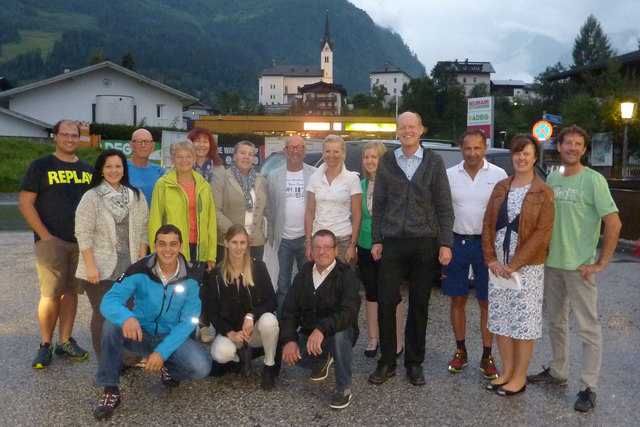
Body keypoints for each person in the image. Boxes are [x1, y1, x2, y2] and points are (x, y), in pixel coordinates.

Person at [526, 126, 621, 412]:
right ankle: (558, 371)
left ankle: (589, 386)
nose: (573, 148)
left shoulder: (594, 181)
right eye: (568, 144)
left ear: (584, 149)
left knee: (588, 328)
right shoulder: (553, 178)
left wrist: (600, 263)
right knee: (555, 322)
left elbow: (614, 223)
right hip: (552, 264)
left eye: (579, 144)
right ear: (559, 146)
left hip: (580, 269)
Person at [368, 111, 454, 387]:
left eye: (412, 127)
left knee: (420, 304)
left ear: (421, 130)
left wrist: (446, 244)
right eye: (402, 127)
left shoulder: (434, 161)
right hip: (392, 241)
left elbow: (444, 206)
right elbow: (379, 203)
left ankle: (414, 362)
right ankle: (387, 360)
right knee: (386, 301)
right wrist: (377, 240)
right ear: (397, 132)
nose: (407, 131)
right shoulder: (387, 161)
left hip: (424, 242)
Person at [92, 225, 212, 420]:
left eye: (173, 244)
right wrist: (127, 318)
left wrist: (161, 353)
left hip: (170, 336)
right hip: (140, 333)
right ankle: (110, 390)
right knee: (111, 325)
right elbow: (109, 301)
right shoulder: (139, 269)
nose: (167, 249)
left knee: (201, 368)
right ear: (155, 245)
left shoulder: (191, 277)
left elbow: (189, 321)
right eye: (162, 244)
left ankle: (168, 368)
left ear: (181, 246)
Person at [482, 134, 555, 396]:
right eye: (517, 153)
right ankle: (507, 371)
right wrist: (490, 258)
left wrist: (514, 264)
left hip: (527, 268)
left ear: (535, 157)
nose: (521, 158)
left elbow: (541, 235)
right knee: (502, 320)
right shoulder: (501, 187)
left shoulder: (544, 192)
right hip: (498, 267)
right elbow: (489, 223)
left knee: (523, 323)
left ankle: (520, 377)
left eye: (526, 153)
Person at [19, 119, 93, 369]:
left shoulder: (87, 169)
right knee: (50, 294)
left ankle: (65, 340)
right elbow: (25, 203)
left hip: (79, 242)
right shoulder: (41, 166)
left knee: (71, 291)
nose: (70, 139)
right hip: (51, 241)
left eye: (74, 135)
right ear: (56, 136)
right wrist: (44, 235)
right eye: (65, 135)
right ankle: (45, 344)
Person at [443, 130, 507, 378]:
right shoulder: (449, 175)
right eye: (468, 148)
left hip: (486, 245)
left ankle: (487, 354)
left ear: (485, 148)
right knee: (457, 299)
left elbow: (502, 213)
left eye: (477, 148)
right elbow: (443, 211)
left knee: (486, 301)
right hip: (457, 242)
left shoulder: (498, 175)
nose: (472, 153)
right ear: (461, 150)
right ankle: (460, 351)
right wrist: (444, 244)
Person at [74, 149, 149, 360]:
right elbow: (83, 232)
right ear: (101, 170)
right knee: (104, 313)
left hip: (130, 264)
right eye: (108, 166)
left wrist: (141, 264)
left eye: (118, 166)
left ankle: (127, 357)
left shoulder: (136, 196)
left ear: (124, 169)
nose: (113, 170)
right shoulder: (92, 197)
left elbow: (144, 230)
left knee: (129, 310)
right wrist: (90, 265)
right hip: (100, 266)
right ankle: (105, 361)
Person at [281, 229, 361, 410]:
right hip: (310, 334)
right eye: (317, 247)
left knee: (340, 336)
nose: (321, 251)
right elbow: (289, 309)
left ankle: (343, 388)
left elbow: (348, 312)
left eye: (327, 247)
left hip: (338, 331)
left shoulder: (346, 275)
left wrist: (321, 329)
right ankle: (323, 360)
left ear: (335, 251)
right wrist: (290, 340)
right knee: (286, 345)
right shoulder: (304, 273)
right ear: (311, 250)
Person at [204, 225, 279, 390]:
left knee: (270, 320)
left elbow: (272, 302)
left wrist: (251, 315)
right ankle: (242, 357)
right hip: (233, 333)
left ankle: (269, 365)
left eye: (242, 243)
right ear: (226, 243)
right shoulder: (216, 274)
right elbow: (212, 312)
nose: (238, 247)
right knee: (220, 354)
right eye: (234, 242)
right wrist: (229, 332)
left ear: (247, 245)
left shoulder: (259, 267)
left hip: (255, 330)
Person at [357, 141, 404, 358]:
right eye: (366, 157)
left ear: (382, 159)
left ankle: (396, 340)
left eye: (374, 157)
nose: (369, 161)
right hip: (366, 244)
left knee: (392, 294)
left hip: (390, 246)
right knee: (371, 293)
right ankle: (373, 339)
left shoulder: (393, 185)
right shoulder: (361, 185)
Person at [148, 139, 217, 277]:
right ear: (173, 160)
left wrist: (211, 254)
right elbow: (155, 220)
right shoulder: (163, 184)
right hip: (171, 248)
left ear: (194, 158)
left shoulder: (204, 186)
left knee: (194, 292)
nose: (184, 160)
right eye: (179, 156)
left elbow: (211, 222)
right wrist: (155, 253)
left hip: (198, 249)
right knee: (173, 292)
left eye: (188, 156)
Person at [267, 135, 317, 314]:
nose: (295, 151)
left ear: (304, 150)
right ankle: (282, 327)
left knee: (308, 283)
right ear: (285, 150)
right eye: (291, 147)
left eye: (299, 147)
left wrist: (312, 238)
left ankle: (304, 324)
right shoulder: (274, 176)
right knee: (282, 286)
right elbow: (270, 208)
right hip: (283, 239)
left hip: (307, 238)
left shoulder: (314, 174)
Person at [305, 135, 362, 266]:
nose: (332, 155)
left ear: (343, 153)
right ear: (323, 153)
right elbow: (309, 212)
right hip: (318, 240)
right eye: (328, 151)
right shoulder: (314, 178)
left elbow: (357, 214)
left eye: (336, 151)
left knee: (342, 282)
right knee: (320, 282)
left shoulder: (352, 179)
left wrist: (353, 244)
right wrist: (308, 242)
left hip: (342, 240)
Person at [213, 140, 270, 262]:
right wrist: (238, 234)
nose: (246, 157)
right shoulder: (221, 178)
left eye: (250, 154)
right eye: (242, 153)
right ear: (234, 156)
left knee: (252, 278)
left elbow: (267, 211)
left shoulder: (261, 181)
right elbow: (215, 211)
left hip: (255, 243)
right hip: (229, 242)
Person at [127, 129, 164, 208]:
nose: (143, 145)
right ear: (131, 145)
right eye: (138, 141)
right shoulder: (121, 168)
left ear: (152, 146)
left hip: (153, 219)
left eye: (147, 142)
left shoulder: (159, 171)